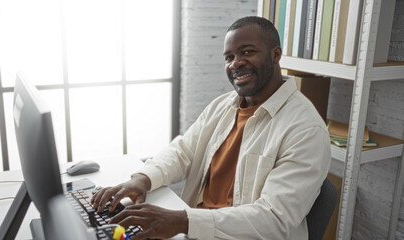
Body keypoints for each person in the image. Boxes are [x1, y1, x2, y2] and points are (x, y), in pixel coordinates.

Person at [91, 16, 331, 240]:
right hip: (198, 227)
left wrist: (182, 220)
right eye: (229, 57)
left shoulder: (305, 129)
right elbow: (183, 151)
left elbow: (275, 219)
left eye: (247, 52)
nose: (236, 63)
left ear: (275, 54)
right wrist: (142, 179)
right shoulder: (223, 106)